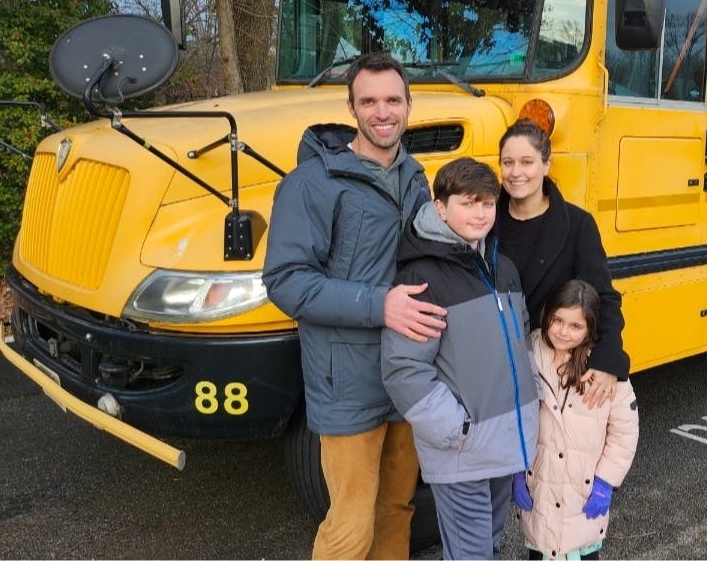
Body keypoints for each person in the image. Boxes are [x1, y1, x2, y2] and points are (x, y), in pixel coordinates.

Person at [262, 52, 448, 560]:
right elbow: (285, 281)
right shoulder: (310, 184)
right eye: (369, 101)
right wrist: (378, 305)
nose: (382, 112)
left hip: (407, 373)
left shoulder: (415, 176)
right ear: (351, 107)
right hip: (345, 381)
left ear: (409, 104)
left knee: (397, 511)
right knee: (350, 526)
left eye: (392, 100)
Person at [381, 158, 539, 560]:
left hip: (505, 444)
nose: (480, 213)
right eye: (468, 203)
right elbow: (404, 371)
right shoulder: (421, 277)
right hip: (463, 449)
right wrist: (457, 431)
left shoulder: (502, 267)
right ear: (440, 207)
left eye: (487, 203)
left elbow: (516, 344)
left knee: (488, 546)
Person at [495, 119, 629, 407]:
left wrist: (607, 358)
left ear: (546, 165)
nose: (516, 172)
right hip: (494, 364)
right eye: (508, 162)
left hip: (550, 370)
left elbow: (602, 296)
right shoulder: (485, 220)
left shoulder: (577, 224)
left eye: (527, 162)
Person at [513, 279, 639, 560]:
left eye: (575, 326)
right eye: (557, 320)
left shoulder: (605, 370)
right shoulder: (531, 353)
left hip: (581, 501)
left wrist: (606, 482)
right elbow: (515, 416)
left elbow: (624, 431)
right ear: (547, 315)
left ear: (590, 328)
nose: (563, 332)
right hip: (540, 495)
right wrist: (516, 471)